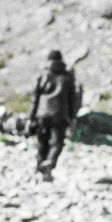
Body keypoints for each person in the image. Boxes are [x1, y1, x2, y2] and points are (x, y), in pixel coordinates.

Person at [28, 50, 77, 181]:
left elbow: (35, 99)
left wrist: (30, 118)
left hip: (42, 114)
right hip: (60, 115)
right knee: (57, 143)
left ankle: (40, 167)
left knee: (41, 142)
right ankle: (49, 163)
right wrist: (72, 118)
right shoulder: (67, 78)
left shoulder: (42, 75)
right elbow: (72, 100)